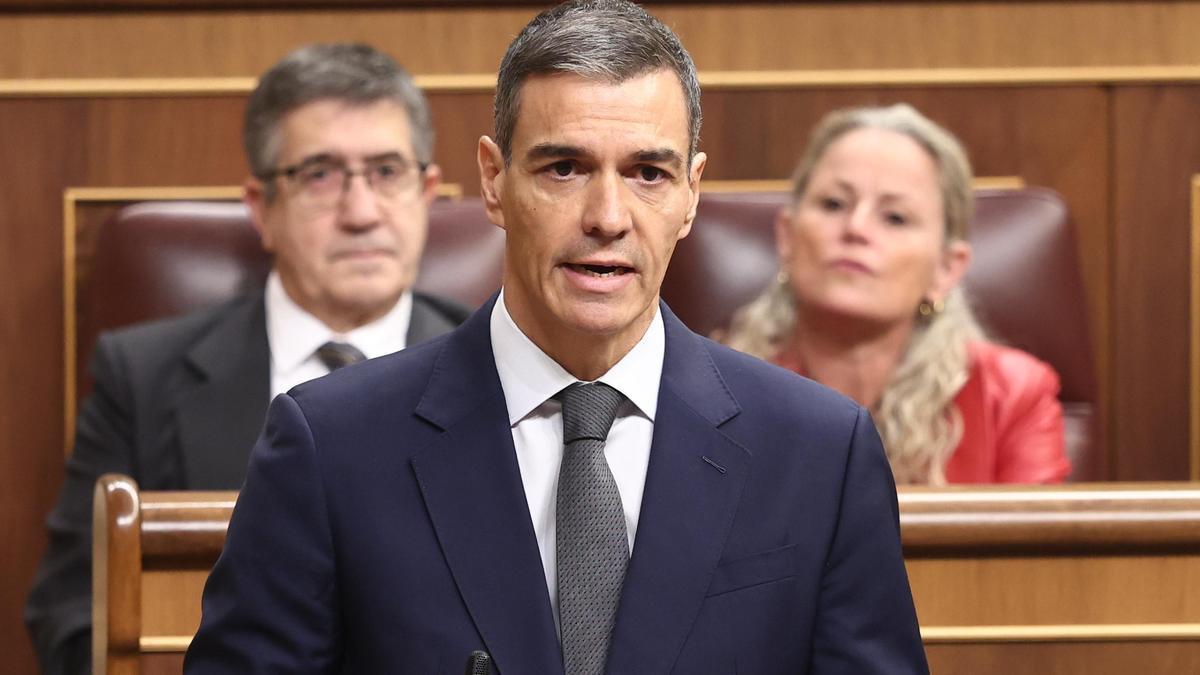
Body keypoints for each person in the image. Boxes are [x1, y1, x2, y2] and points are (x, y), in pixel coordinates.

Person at [184, 2, 927, 673]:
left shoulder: (820, 452)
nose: (608, 217)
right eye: (565, 168)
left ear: (691, 194)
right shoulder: (330, 445)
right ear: (493, 180)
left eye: (648, 173)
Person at [25, 43, 469, 674]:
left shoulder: (493, 367)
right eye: (320, 175)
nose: (361, 212)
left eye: (386, 171)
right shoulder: (143, 376)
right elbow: (72, 620)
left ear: (425, 192)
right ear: (262, 207)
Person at [724, 104, 1070, 485]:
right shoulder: (716, 385)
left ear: (946, 269)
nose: (856, 228)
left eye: (895, 217)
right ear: (787, 237)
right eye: (834, 204)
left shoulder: (1012, 397)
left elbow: (1035, 526)